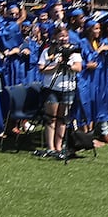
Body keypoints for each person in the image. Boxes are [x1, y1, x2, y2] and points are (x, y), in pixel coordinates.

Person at [37, 24, 83, 159]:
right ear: (55, 37)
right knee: (51, 118)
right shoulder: (48, 51)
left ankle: (59, 146)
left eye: (66, 36)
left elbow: (78, 67)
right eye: (61, 36)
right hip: (51, 88)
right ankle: (50, 147)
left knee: (63, 119)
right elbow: (41, 69)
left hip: (68, 88)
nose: (64, 38)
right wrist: (56, 66)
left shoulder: (74, 51)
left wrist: (68, 65)